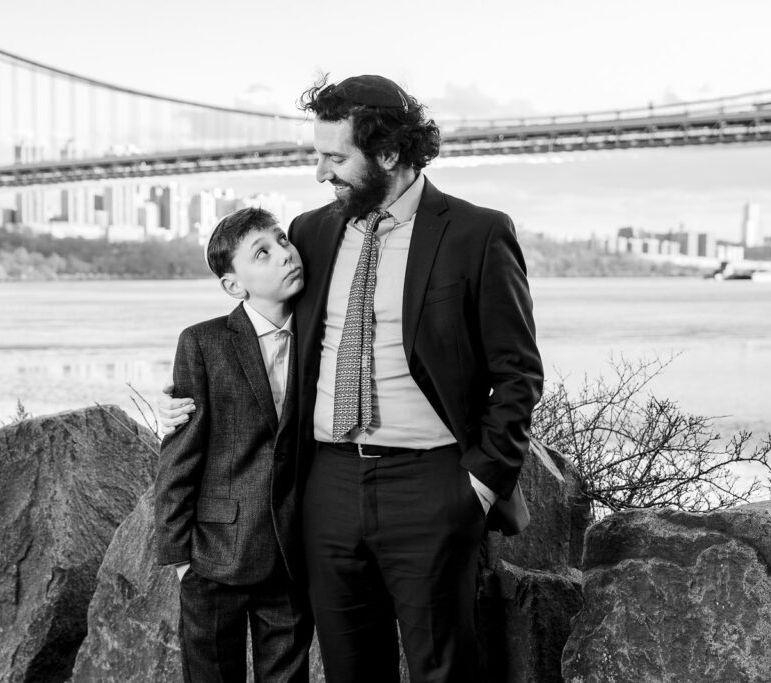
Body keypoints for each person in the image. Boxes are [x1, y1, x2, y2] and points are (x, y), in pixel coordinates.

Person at [161, 75, 543, 683]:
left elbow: (518, 373)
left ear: (388, 154)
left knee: (444, 670)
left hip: (432, 486)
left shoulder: (477, 233)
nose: (320, 173)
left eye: (334, 158)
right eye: (317, 156)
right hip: (327, 488)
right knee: (349, 670)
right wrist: (192, 402)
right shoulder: (310, 233)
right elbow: (264, 333)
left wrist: (479, 485)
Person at [153, 207, 313, 683]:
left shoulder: (322, 337)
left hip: (291, 555)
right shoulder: (203, 344)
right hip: (214, 556)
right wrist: (180, 559)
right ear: (234, 285)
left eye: (282, 240)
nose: (284, 254)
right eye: (262, 253)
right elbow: (180, 457)